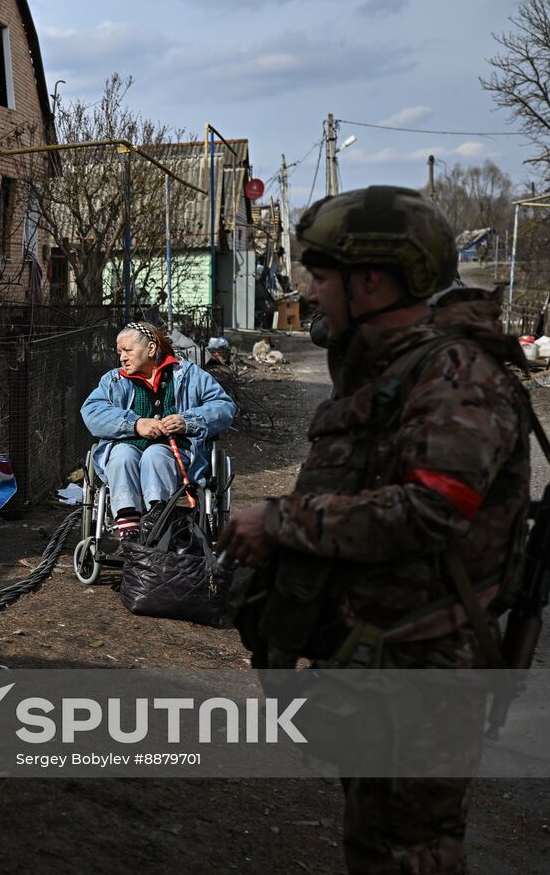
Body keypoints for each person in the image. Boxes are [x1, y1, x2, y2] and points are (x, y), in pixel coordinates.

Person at [218, 186, 531, 874]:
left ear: (373, 280)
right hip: (386, 666)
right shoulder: (396, 368)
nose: (310, 292)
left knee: (408, 852)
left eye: (322, 276)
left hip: (429, 677)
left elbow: (429, 512)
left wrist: (279, 522)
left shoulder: (456, 379)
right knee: (375, 842)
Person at [80, 321, 235, 538]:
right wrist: (135, 424)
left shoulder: (189, 375)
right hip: (128, 447)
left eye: (127, 350)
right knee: (122, 455)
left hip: (175, 452)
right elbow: (92, 412)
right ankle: (129, 530)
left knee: (155, 454)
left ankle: (156, 518)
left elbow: (224, 407)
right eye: (119, 352)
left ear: (151, 349)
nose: (121, 357)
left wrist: (187, 421)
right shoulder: (113, 381)